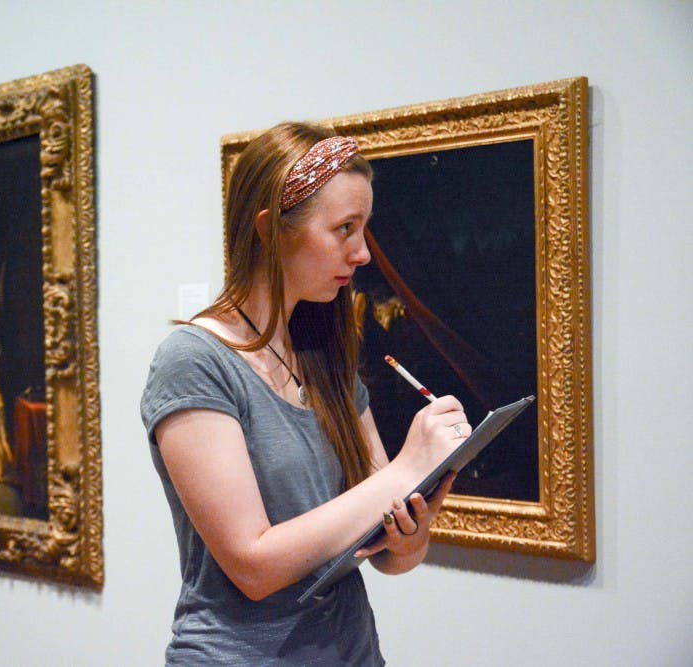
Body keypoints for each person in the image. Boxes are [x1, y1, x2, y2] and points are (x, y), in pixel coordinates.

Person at [140, 122, 471, 664]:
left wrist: (410, 531)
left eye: (363, 228)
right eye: (344, 228)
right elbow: (254, 566)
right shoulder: (193, 362)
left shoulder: (326, 360)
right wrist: (405, 469)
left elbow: (391, 557)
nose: (363, 253)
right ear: (271, 230)